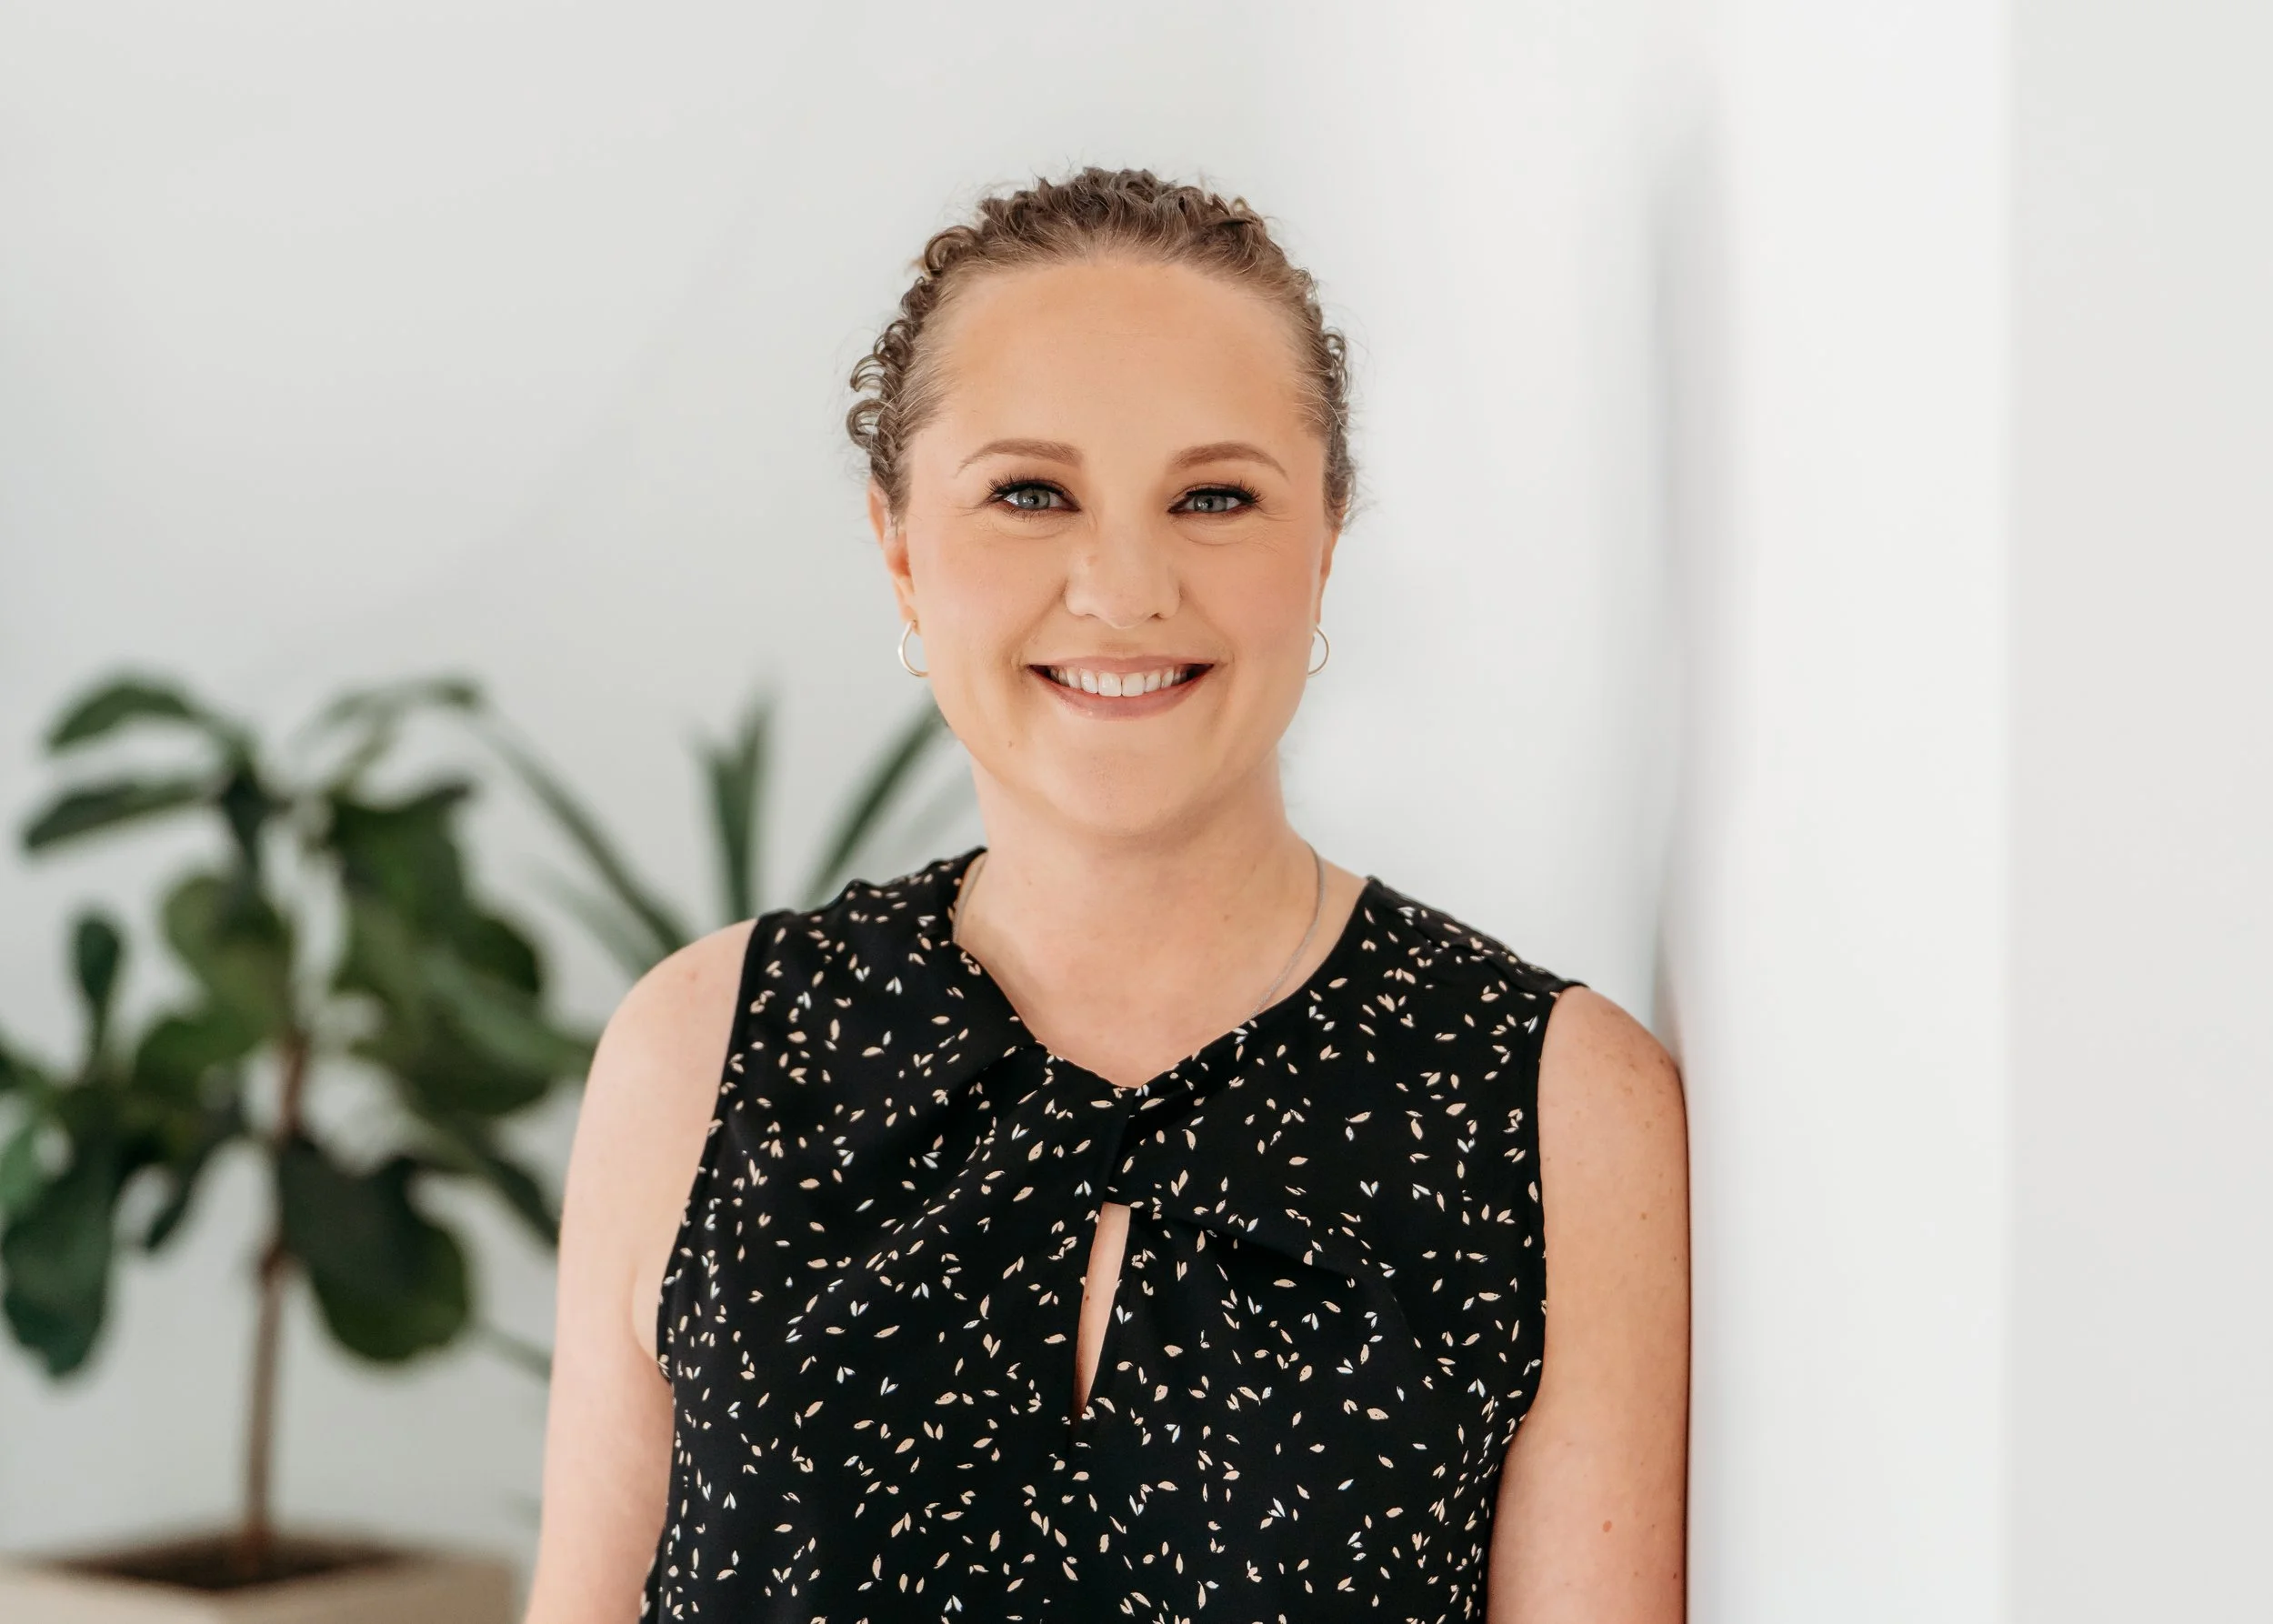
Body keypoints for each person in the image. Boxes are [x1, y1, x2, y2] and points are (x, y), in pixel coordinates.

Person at [526, 167, 1688, 1624]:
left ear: (1325, 541)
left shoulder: (1559, 1106)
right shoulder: (701, 1051)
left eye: (1215, 496)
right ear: (900, 548)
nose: (1124, 587)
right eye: (1030, 493)